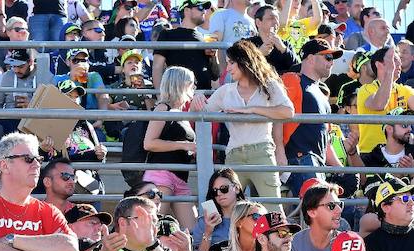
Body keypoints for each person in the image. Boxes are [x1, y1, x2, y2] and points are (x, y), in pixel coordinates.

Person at [192, 40, 293, 203]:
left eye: (232, 63)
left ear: (245, 61)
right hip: (234, 155)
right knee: (229, 209)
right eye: (227, 63)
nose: (228, 68)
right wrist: (196, 102)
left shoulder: (269, 86)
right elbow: (202, 112)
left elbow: (288, 111)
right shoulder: (225, 91)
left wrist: (252, 110)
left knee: (273, 210)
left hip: (262, 153)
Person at [278, 39, 343, 197]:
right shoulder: (292, 79)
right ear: (311, 58)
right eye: (327, 58)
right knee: (317, 207)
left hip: (316, 162)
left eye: (332, 59)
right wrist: (279, 152)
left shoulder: (321, 94)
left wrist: (341, 169)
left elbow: (324, 139)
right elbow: (277, 116)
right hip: (299, 158)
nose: (331, 63)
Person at [143, 65, 198, 229]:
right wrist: (183, 145)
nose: (194, 86)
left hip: (180, 177)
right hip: (161, 174)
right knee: (155, 228)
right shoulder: (162, 108)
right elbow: (149, 143)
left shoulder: (181, 113)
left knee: (194, 232)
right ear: (180, 84)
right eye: (191, 83)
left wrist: (190, 150)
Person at [357, 47, 414, 155]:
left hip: (400, 156)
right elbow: (379, 104)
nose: (399, 64)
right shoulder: (365, 90)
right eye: (394, 60)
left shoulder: (404, 90)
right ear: (379, 64)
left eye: (399, 61)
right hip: (371, 154)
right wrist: (389, 72)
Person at [153, 0, 215, 90]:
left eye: (205, 8)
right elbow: (157, 67)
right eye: (200, 7)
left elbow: (215, 75)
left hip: (203, 96)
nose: (204, 11)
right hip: (179, 96)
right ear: (187, 10)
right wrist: (159, 95)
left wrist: (213, 56)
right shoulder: (167, 34)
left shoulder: (205, 38)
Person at [364, 177, 414, 251]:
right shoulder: (371, 245)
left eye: (413, 198)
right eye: (404, 199)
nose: (411, 203)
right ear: (385, 207)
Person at [287, 180, 343, 251]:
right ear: (312, 212)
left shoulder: (346, 243)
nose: (339, 210)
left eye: (340, 204)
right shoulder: (294, 245)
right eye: (331, 206)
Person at [194, 168, 245, 251]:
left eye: (224, 189)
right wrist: (208, 231)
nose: (219, 194)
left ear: (237, 188)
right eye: (215, 191)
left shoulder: (250, 217)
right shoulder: (203, 222)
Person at [0, 48, 37, 135]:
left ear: (31, 62)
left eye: (20, 66)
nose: (16, 70)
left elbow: (50, 106)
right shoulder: (7, 76)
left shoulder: (43, 75)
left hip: (34, 120)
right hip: (10, 120)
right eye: (13, 66)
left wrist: (32, 105)